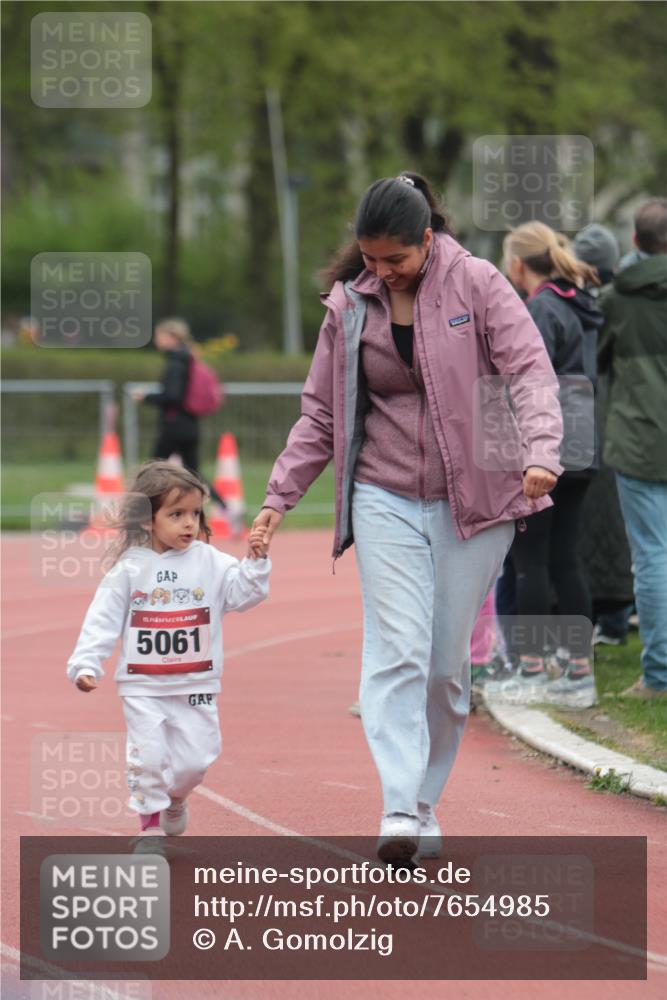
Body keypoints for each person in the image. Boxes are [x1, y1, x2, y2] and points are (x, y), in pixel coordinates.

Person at [252, 173, 563, 864]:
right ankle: (396, 807)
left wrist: (541, 450)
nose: (380, 271)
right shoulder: (349, 305)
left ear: (427, 238)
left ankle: (424, 801)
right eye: (369, 259)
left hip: (475, 500)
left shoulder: (476, 283)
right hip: (383, 491)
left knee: (443, 667)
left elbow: (529, 373)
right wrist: (278, 498)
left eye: (393, 259)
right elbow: (321, 413)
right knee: (395, 649)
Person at [67, 461, 270, 840]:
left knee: (195, 762)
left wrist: (256, 561)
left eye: (195, 513)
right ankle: (150, 827)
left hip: (197, 683)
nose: (189, 523)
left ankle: (176, 797)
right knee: (147, 759)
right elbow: (102, 619)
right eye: (176, 514)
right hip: (143, 687)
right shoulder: (129, 569)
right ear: (148, 519)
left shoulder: (210, 561)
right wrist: (86, 663)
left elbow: (245, 594)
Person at [500, 222, 603, 708]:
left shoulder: (539, 307)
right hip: (584, 441)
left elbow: (527, 380)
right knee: (565, 556)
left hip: (550, 443)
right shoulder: (583, 302)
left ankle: (533, 668)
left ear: (518, 264)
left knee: (530, 560)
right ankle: (579, 672)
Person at [598, 197, 667, 698]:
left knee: (651, 558)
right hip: (639, 441)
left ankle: (660, 676)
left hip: (638, 439)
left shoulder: (615, 299)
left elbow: (597, 359)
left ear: (636, 242)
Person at [574, 224, 635, 647]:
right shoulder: (625, 303)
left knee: (583, 528)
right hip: (621, 423)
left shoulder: (572, 304)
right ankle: (617, 618)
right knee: (621, 528)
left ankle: (598, 619)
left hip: (582, 425)